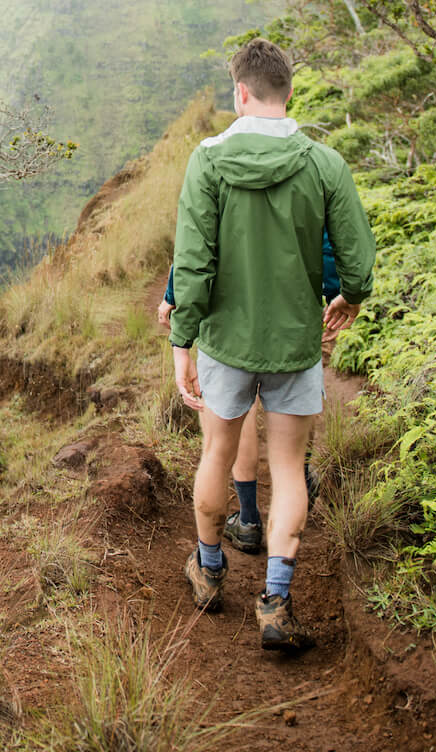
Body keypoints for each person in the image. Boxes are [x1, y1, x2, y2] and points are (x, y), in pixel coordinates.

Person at [169, 38, 374, 651]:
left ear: (240, 92)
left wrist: (183, 343)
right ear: (288, 93)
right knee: (287, 469)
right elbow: (358, 261)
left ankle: (208, 572)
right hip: (294, 344)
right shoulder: (324, 164)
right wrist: (349, 298)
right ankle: (276, 602)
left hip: (224, 343)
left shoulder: (206, 162)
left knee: (217, 454)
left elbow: (194, 265)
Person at [156, 228, 338, 554]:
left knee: (243, 408)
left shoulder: (217, 174)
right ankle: (301, 478)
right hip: (296, 311)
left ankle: (249, 519)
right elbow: (327, 237)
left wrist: (173, 296)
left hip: (235, 313)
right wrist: (335, 291)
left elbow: (195, 242)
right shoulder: (312, 174)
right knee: (298, 401)